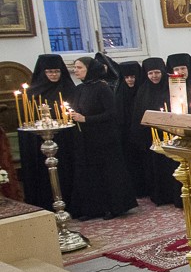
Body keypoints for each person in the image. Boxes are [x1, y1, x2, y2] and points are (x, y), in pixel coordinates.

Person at [63, 57, 138, 220]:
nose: (75, 71)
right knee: (90, 174)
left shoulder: (102, 88)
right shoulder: (79, 88)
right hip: (86, 139)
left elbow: (112, 113)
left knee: (107, 174)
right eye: (75, 68)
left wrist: (86, 119)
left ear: (90, 69)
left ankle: (112, 207)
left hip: (104, 139)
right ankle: (92, 209)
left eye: (79, 68)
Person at [18, 54, 77, 211]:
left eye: (57, 71)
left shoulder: (69, 88)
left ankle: (71, 203)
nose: (54, 75)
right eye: (50, 72)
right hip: (41, 140)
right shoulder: (32, 92)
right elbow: (28, 119)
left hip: (65, 139)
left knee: (66, 171)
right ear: (43, 72)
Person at [128, 57, 179, 207]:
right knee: (155, 166)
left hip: (170, 133)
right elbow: (138, 114)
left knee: (171, 165)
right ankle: (160, 195)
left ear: (163, 71)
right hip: (151, 135)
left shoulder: (172, 87)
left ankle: (174, 194)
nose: (154, 76)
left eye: (157, 72)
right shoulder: (143, 90)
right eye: (150, 73)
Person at [113, 61, 145, 196]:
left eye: (133, 77)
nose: (130, 80)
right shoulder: (120, 92)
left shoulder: (143, 91)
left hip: (142, 132)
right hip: (126, 133)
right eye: (127, 77)